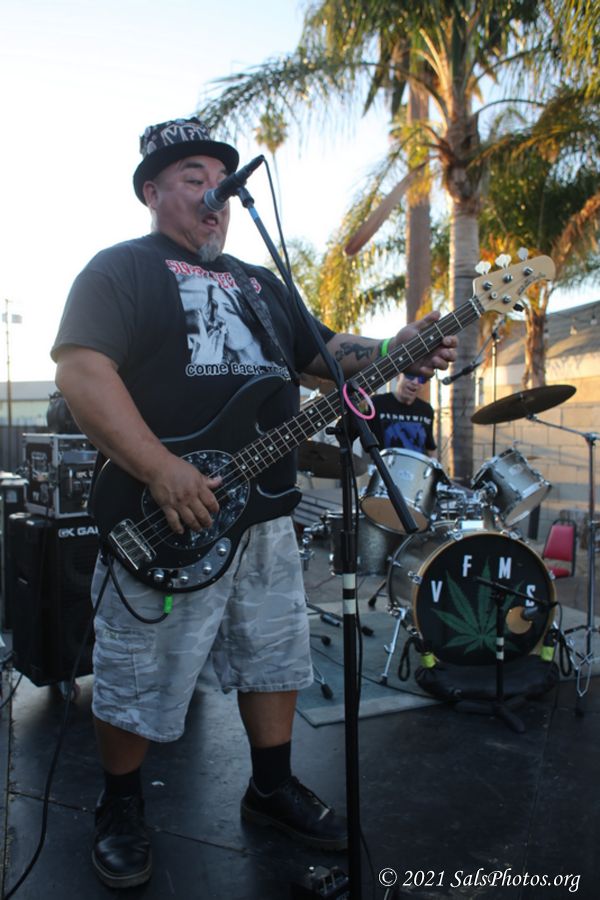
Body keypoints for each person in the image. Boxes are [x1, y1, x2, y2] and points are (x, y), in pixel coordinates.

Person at [51, 116, 457, 890]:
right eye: (194, 179)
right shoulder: (119, 270)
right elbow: (81, 373)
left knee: (274, 653)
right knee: (138, 670)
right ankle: (122, 804)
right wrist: (161, 469)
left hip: (264, 512)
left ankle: (271, 787)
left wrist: (396, 347)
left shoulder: (261, 284)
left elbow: (328, 355)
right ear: (152, 192)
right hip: (166, 511)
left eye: (223, 182)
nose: (216, 196)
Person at [370, 372, 437, 457]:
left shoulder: (426, 410)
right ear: (398, 376)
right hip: (384, 463)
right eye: (410, 376)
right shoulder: (377, 403)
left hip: (416, 464)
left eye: (421, 379)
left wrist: (435, 464)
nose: (415, 382)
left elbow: (430, 448)